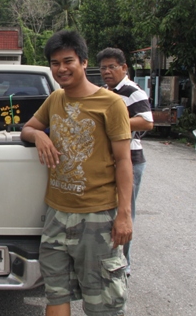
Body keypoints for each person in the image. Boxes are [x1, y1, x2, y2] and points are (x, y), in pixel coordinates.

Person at [20, 30, 133, 316]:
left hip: (97, 216)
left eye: (67, 61)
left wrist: (124, 214)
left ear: (83, 62)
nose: (61, 69)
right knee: (56, 294)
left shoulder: (111, 104)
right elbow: (27, 128)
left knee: (103, 302)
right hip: (57, 215)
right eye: (55, 63)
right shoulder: (55, 99)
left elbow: (123, 161)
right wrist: (40, 136)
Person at [97, 47, 154, 276]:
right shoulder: (103, 91)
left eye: (112, 67)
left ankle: (124, 264)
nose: (107, 72)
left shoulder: (132, 91)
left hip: (131, 158)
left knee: (124, 212)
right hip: (108, 160)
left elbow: (147, 122)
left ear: (124, 67)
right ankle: (108, 257)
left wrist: (114, 123)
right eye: (103, 68)